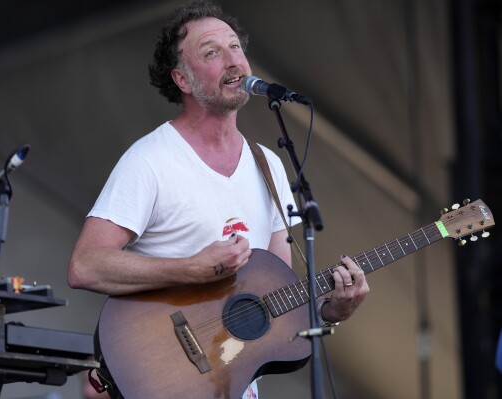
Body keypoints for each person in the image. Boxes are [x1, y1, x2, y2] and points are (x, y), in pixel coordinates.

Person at [67, 1, 369, 398]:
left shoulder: (269, 165)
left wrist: (331, 312)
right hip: (164, 380)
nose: (233, 61)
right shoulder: (149, 161)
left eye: (236, 47)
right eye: (212, 52)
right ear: (183, 79)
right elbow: (85, 266)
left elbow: (277, 299)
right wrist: (191, 268)